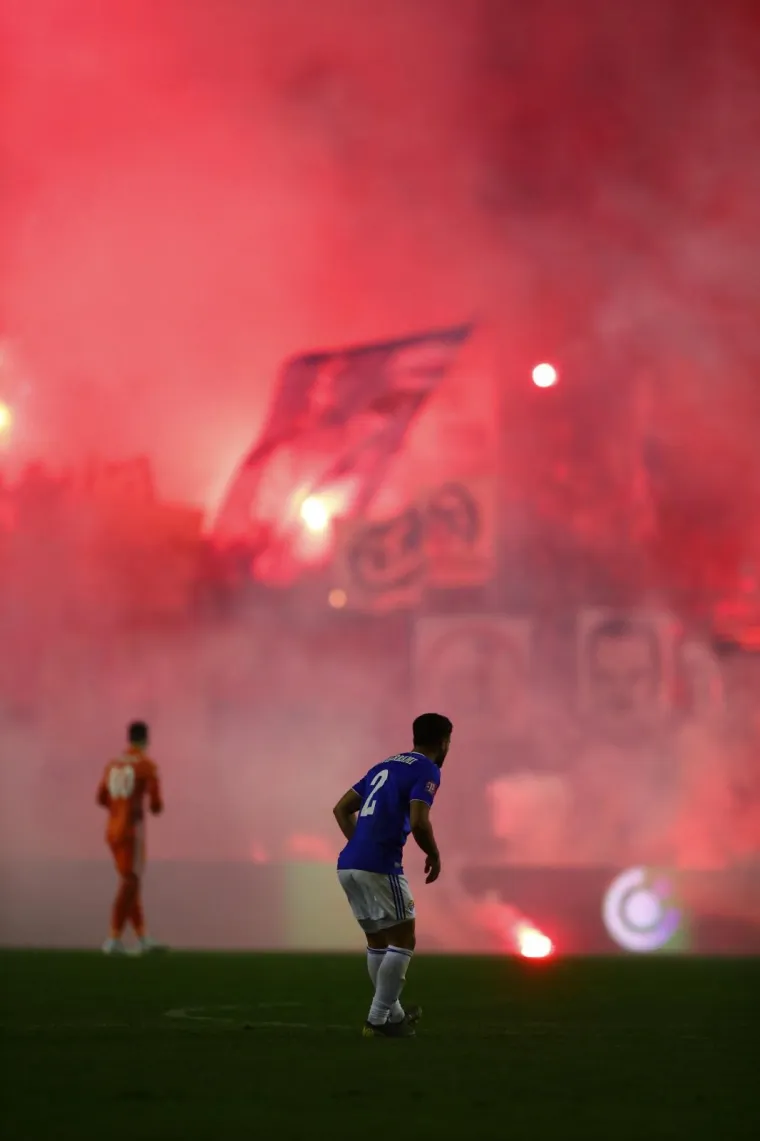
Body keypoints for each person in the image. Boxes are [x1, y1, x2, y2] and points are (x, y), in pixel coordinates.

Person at [333, 712, 452, 1038]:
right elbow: (418, 821)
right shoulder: (427, 769)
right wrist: (433, 853)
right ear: (443, 743)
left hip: (348, 865)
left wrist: (359, 843)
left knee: (378, 942)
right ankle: (376, 1020)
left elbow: (341, 808)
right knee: (403, 940)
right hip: (380, 865)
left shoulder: (383, 766)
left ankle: (394, 1017)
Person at [96, 721, 164, 954]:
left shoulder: (112, 764)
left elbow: (101, 798)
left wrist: (118, 808)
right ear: (146, 740)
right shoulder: (147, 765)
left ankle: (143, 938)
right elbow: (156, 806)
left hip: (112, 831)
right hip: (132, 831)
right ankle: (113, 938)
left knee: (130, 881)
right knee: (130, 882)